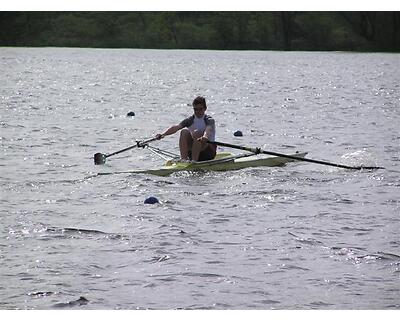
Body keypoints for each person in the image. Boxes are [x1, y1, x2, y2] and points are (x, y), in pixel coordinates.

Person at [156, 96, 217, 161]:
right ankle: (184, 160)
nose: (198, 111)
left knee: (197, 133)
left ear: (205, 108)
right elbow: (176, 127)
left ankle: (194, 161)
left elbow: (208, 129)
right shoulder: (190, 120)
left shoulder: (209, 120)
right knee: (184, 131)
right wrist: (163, 135)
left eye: (200, 109)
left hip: (207, 152)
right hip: (193, 152)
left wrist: (205, 137)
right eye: (195, 109)